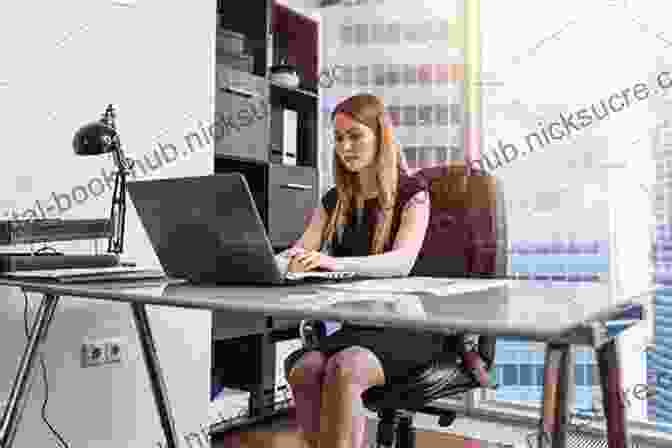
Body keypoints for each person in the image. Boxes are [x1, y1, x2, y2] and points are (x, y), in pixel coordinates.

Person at [274, 94, 446, 448]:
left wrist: (332, 262)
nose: (345, 147)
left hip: (410, 326)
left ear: (380, 137)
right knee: (304, 369)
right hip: (360, 325)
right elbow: (301, 250)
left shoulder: (413, 192)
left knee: (346, 368)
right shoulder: (335, 199)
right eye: (338, 139)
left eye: (355, 136)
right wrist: (272, 261)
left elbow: (401, 262)